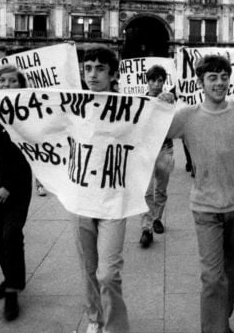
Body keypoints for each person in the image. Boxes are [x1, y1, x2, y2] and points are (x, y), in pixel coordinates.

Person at [165, 55, 234, 333]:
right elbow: (150, 131)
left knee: (230, 264)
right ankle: (215, 329)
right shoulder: (187, 116)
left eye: (224, 76)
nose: (219, 83)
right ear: (200, 82)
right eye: (212, 77)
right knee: (212, 276)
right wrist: (158, 103)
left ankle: (221, 318)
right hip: (205, 206)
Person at [75, 47, 129, 333]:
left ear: (113, 74)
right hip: (82, 200)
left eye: (100, 68)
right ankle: (95, 319)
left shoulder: (130, 106)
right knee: (88, 268)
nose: (93, 74)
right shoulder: (73, 104)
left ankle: (117, 328)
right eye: (88, 68)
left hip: (113, 201)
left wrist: (163, 103)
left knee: (108, 272)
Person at [0, 65, 33, 321]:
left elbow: (27, 155)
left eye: (13, 82)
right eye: (2, 82)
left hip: (17, 184)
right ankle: (10, 277)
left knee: (11, 232)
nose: (7, 86)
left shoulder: (28, 115)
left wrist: (9, 186)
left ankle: (12, 291)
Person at [140, 65, 175, 248]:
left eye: (160, 80)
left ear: (164, 82)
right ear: (147, 81)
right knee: (146, 191)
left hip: (165, 149)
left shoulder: (169, 99)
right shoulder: (141, 100)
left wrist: (169, 101)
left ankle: (157, 219)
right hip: (146, 150)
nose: (156, 84)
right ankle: (146, 228)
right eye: (153, 80)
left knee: (160, 188)